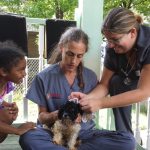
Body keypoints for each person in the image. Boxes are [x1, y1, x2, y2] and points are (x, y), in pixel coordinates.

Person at [19, 27, 135, 150]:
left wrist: (83, 116)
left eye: (79, 56)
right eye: (70, 54)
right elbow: (41, 118)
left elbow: (90, 113)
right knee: (28, 137)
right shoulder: (43, 77)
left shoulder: (90, 77)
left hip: (84, 134)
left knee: (127, 141)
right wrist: (59, 115)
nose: (74, 61)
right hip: (53, 134)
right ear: (61, 47)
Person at [70, 7, 150, 138]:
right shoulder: (112, 48)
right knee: (116, 82)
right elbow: (104, 85)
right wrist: (87, 99)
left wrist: (100, 103)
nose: (110, 45)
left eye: (115, 40)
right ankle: (126, 138)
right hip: (135, 79)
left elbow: (144, 92)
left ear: (132, 33)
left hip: (145, 84)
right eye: (107, 40)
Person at [0, 41, 35, 143]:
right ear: (4, 71)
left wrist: (7, 105)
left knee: (8, 113)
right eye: (20, 70)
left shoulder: (5, 85)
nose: (24, 74)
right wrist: (18, 130)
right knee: (5, 115)